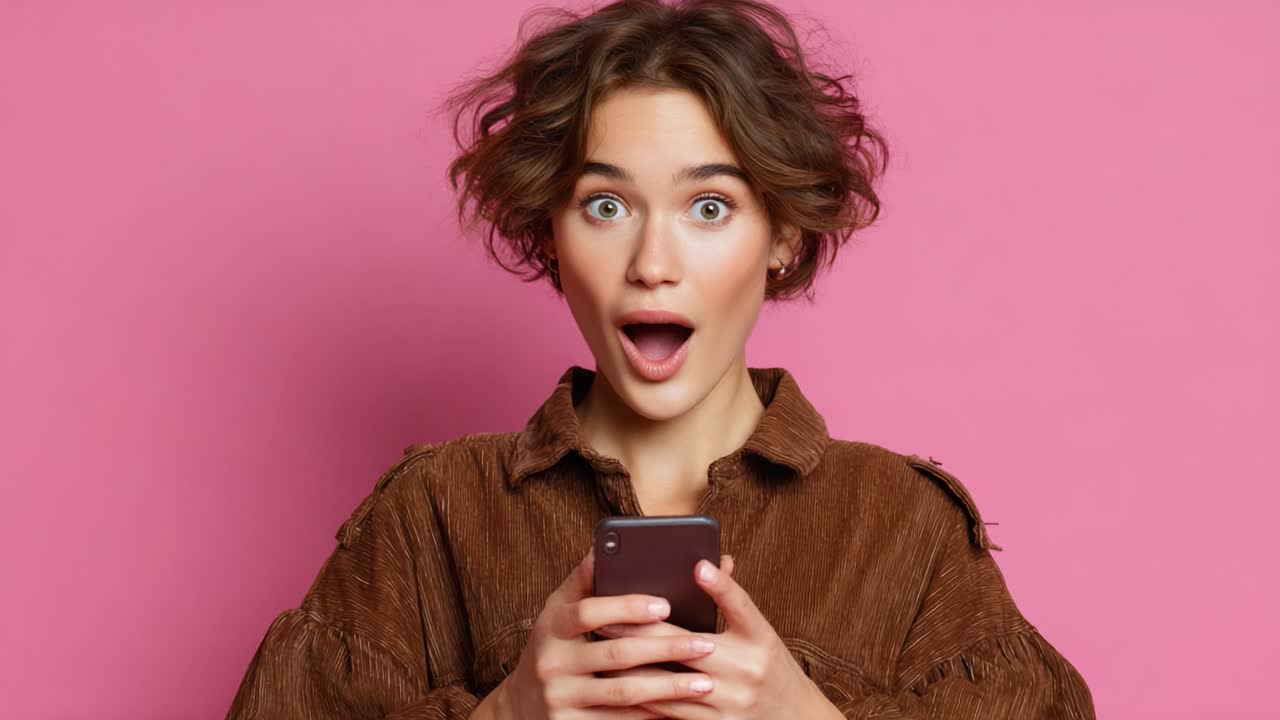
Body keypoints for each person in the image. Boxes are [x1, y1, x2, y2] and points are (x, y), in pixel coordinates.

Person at [227, 1, 1095, 718]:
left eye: (709, 207)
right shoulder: (435, 513)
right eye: (607, 204)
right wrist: (508, 712)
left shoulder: (901, 525)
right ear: (551, 235)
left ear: (783, 235)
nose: (652, 262)